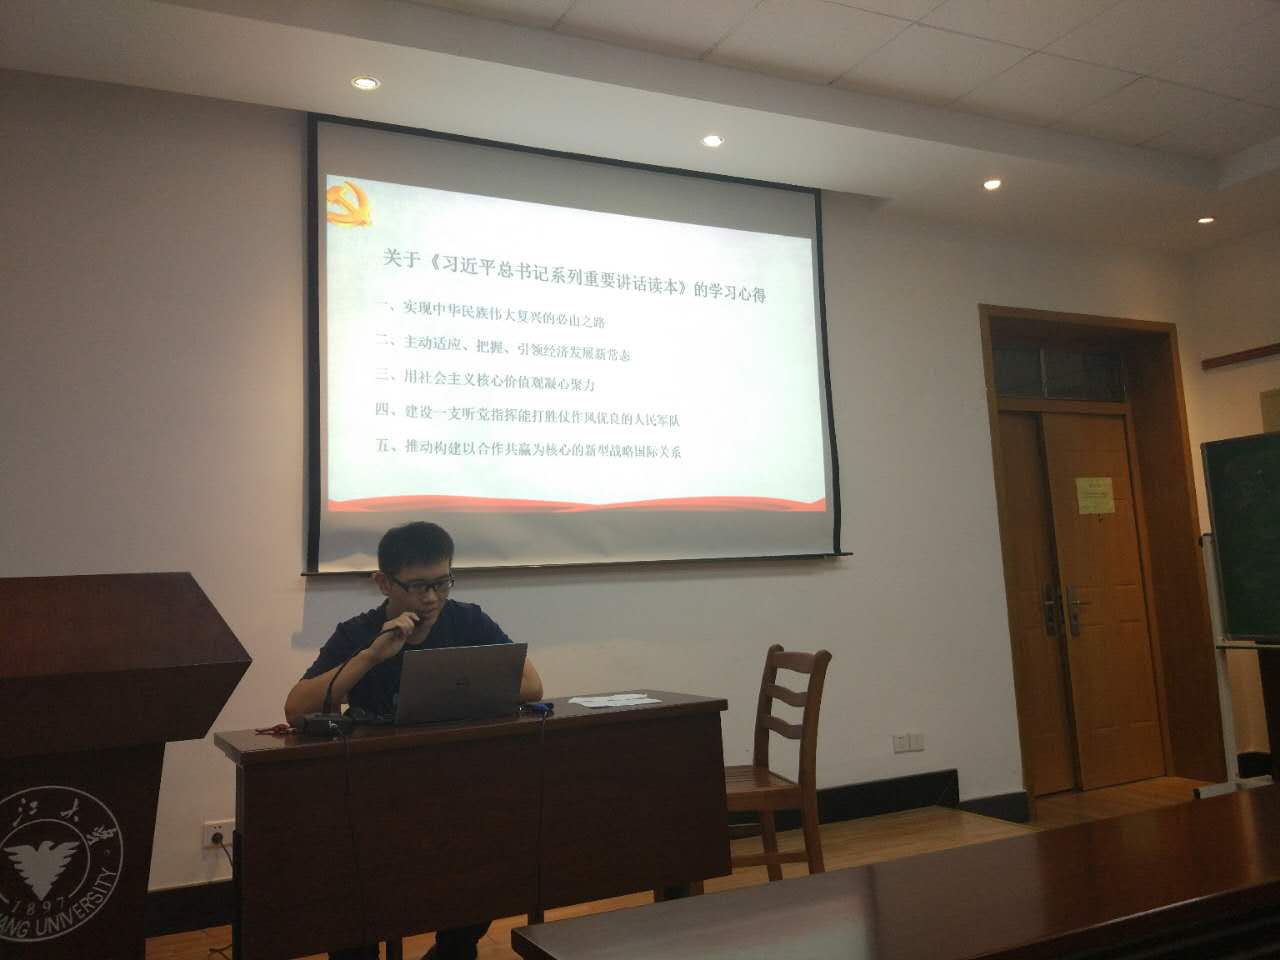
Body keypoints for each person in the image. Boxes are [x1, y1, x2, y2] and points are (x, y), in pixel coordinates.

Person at [284, 520, 542, 960]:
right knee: (347, 884)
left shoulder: (467, 620)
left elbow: (531, 686)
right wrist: (371, 656)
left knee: (488, 856)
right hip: (375, 791)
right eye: (419, 586)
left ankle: (454, 948)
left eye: (442, 583)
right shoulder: (358, 633)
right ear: (384, 583)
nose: (432, 598)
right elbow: (296, 708)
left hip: (456, 787)